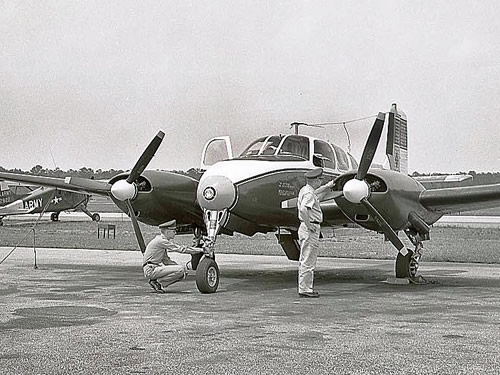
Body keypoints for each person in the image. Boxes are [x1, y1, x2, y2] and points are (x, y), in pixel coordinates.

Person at [297, 167, 333, 298]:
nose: (320, 181)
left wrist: (327, 187)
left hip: (305, 228)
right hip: (310, 228)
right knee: (308, 259)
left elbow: (316, 194)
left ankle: (304, 287)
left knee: (305, 258)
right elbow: (303, 210)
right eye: (320, 179)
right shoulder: (309, 194)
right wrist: (309, 225)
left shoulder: (305, 190)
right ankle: (305, 290)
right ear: (315, 180)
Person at [143, 219, 204, 293]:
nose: (175, 233)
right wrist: (200, 250)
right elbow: (180, 249)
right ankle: (158, 282)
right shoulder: (161, 241)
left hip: (152, 268)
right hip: (151, 270)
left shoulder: (160, 241)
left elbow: (166, 260)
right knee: (181, 269)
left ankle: (157, 282)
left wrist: (181, 268)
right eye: (174, 231)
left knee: (182, 271)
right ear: (168, 232)